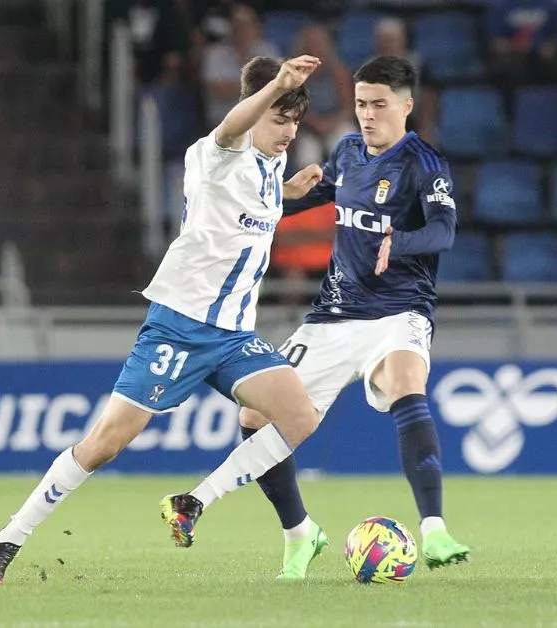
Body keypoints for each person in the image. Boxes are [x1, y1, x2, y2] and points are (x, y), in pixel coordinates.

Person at [0, 55, 326, 586]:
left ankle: (198, 500)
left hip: (232, 336)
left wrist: (289, 194)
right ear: (255, 108)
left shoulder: (273, 167)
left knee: (300, 415)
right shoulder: (214, 152)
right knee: (104, 444)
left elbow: (250, 210)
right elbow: (232, 130)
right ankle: (9, 538)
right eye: (278, 118)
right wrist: (278, 83)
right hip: (179, 327)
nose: (288, 132)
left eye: (294, 121)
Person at [186, 55, 469, 579]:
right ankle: (299, 533)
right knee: (254, 416)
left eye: (379, 104)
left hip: (400, 311)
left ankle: (434, 528)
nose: (368, 114)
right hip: (333, 317)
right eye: (361, 104)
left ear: (406, 106)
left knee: (406, 381)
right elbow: (300, 199)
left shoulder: (424, 164)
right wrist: (252, 201)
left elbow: (444, 231)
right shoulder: (347, 153)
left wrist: (401, 241)